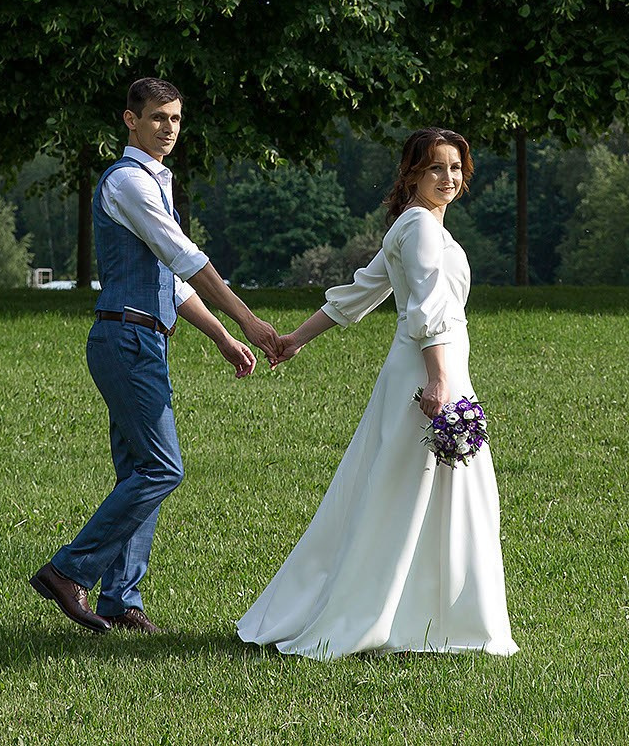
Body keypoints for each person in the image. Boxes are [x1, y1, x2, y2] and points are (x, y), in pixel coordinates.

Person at [238, 127, 516, 660]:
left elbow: (359, 293)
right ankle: (411, 619)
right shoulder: (421, 229)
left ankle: (415, 615)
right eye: (435, 168)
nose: (448, 178)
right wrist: (439, 380)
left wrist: (297, 338)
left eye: (455, 168)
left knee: (411, 489)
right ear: (412, 174)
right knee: (414, 489)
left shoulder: (411, 225)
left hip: (430, 367)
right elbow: (425, 309)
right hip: (429, 371)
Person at [29, 78, 282, 634]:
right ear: (131, 120)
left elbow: (173, 281)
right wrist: (249, 320)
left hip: (140, 338)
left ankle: (120, 601)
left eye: (176, 118)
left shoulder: (153, 183)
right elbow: (185, 257)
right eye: (158, 118)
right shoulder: (128, 182)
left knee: (139, 472)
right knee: (162, 468)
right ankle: (68, 571)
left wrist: (221, 336)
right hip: (126, 339)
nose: (169, 129)